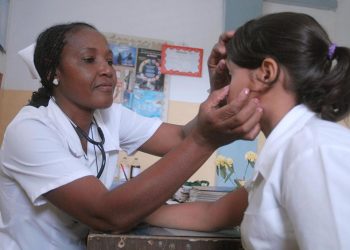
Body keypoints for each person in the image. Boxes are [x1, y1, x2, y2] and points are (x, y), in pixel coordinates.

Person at [0, 22, 263, 250]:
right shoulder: (31, 129)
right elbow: (107, 214)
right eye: (89, 60)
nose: (107, 70)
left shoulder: (109, 116)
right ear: (52, 73)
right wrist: (205, 140)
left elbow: (182, 138)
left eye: (110, 61)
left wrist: (220, 91)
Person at [146, 12, 350, 250]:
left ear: (265, 73)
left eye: (231, 74)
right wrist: (132, 212)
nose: (225, 86)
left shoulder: (312, 151)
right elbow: (210, 214)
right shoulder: (287, 148)